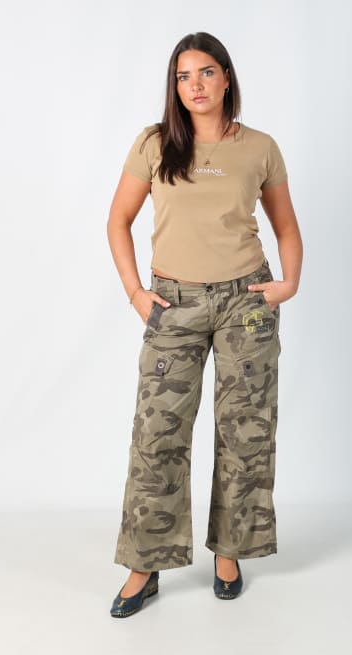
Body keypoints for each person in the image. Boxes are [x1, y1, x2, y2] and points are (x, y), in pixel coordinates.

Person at [106, 31, 303, 617]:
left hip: (247, 301)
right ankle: (145, 564)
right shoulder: (154, 143)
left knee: (246, 432)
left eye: (206, 72)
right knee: (157, 435)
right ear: (175, 86)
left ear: (226, 78)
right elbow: (117, 221)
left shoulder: (259, 147)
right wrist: (136, 293)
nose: (195, 85)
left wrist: (289, 283)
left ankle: (230, 553)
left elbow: (286, 226)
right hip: (173, 304)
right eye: (183, 76)